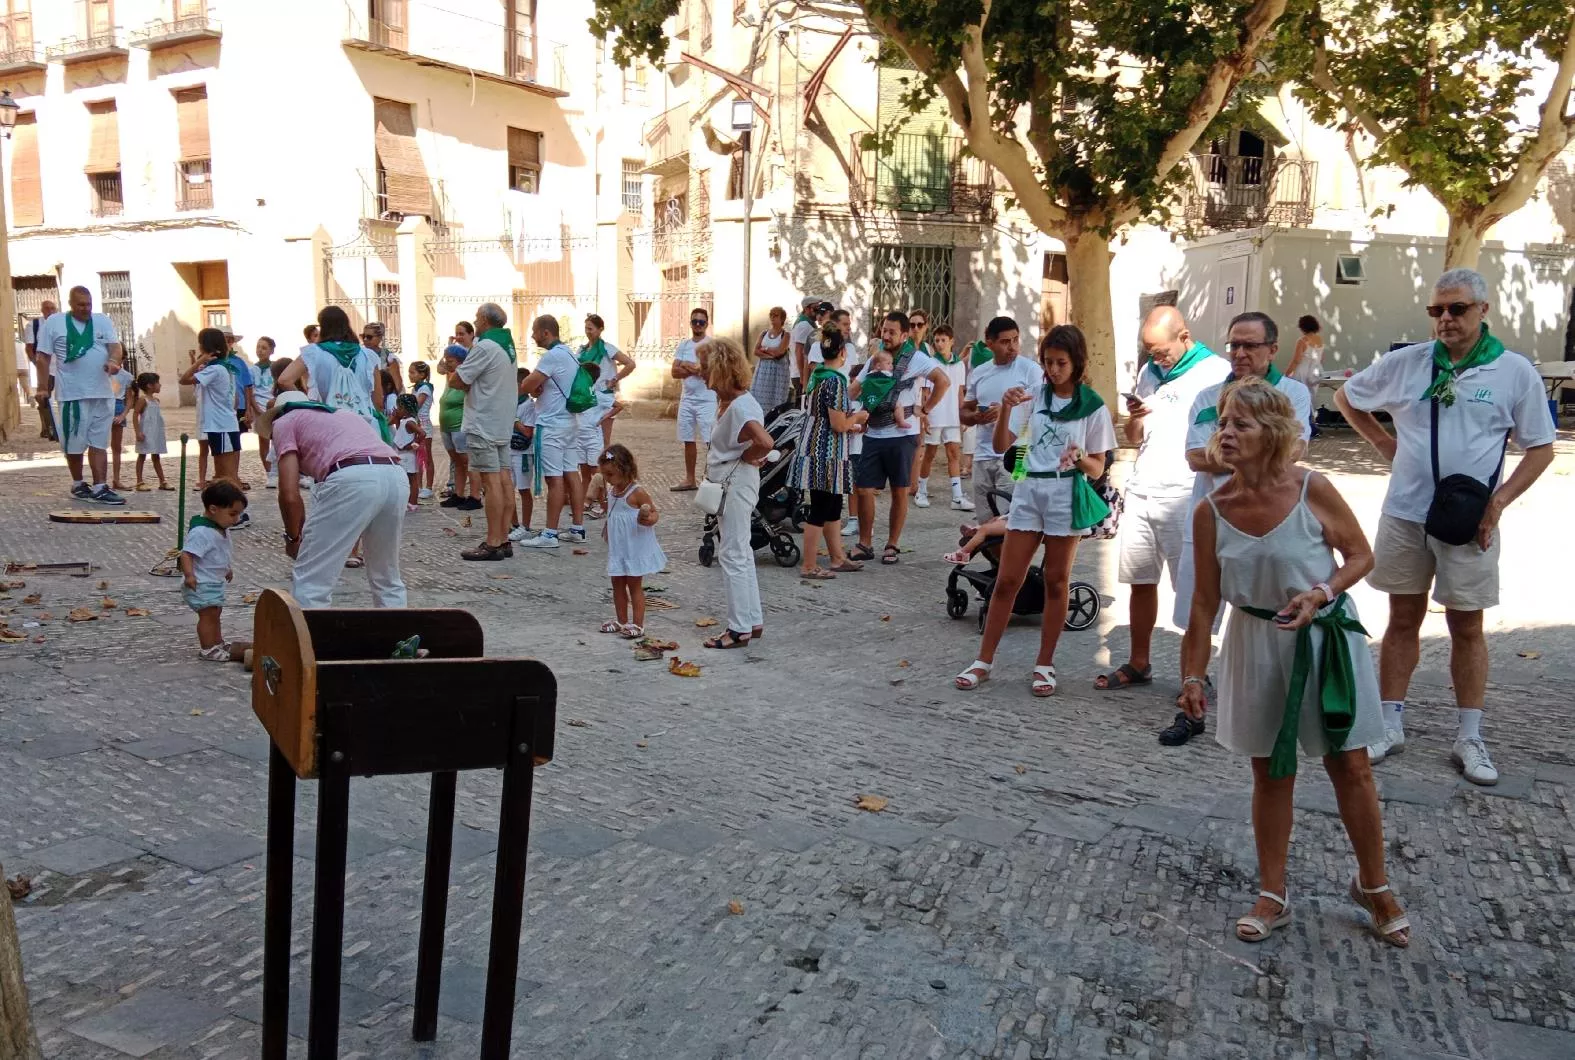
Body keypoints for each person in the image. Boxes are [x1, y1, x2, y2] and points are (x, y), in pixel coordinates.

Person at [1178, 379, 1408, 948]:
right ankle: (1273, 892)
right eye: (1224, 423)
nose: (1226, 434)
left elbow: (1361, 555)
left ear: (1273, 435)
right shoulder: (1211, 510)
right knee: (1270, 771)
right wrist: (1191, 674)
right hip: (1255, 642)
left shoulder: (1312, 489)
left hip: (1324, 639)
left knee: (1350, 764)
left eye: (1241, 426)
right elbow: (1204, 603)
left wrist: (1322, 593)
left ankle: (1374, 885)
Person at [1334, 267, 1555, 784]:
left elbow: (1540, 448)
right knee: (1402, 618)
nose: (1446, 320)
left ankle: (1470, 736)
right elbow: (1348, 397)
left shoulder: (1513, 371)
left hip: (1467, 521)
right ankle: (1389, 724)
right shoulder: (1407, 363)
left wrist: (1497, 502)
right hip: (1406, 513)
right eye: (1437, 311)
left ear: (1483, 310)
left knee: (1467, 626)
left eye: (1457, 309)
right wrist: (1383, 444)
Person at [1164, 311, 1313, 747]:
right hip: (1212, 516)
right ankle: (1190, 693)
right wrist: (1260, 450)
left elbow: (1295, 450)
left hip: (1270, 520)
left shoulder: (1293, 393)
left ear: (1272, 347)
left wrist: (1230, 452)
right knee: (1198, 611)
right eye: (1234, 345)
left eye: (1250, 345)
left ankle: (1269, 695)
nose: (1241, 354)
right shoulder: (1208, 394)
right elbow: (1195, 456)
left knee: (1269, 609)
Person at [954, 325, 1115, 696]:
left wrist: (1078, 459)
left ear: (1078, 363)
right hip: (1030, 493)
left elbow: (1098, 467)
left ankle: (1044, 664)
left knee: (1057, 581)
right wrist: (1008, 411)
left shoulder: (1092, 405)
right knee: (1008, 579)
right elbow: (1010, 448)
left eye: (1061, 362)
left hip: (1064, 495)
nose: (1053, 369)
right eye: (1048, 362)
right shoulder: (1034, 397)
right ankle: (983, 661)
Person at [1097, 306, 1229, 692]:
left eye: (1161, 350)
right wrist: (1135, 416)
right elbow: (1135, 436)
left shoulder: (1216, 372)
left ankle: (1194, 675)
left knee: (1191, 589)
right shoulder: (1149, 372)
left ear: (1184, 335)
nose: (1156, 359)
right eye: (1149, 352)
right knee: (1140, 580)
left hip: (1185, 493)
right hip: (1142, 488)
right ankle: (1139, 663)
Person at [262, 390, 408, 608]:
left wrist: (293, 538)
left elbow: (289, 493)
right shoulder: (343, 415)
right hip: (395, 475)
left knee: (312, 579)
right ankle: (400, 638)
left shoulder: (284, 420)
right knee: (386, 575)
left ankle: (309, 640)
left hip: (353, 478)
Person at [849, 311, 952, 565]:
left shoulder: (916, 358)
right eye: (884, 330)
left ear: (905, 335)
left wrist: (925, 410)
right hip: (873, 433)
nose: (886, 336)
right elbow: (855, 389)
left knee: (899, 491)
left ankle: (892, 544)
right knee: (863, 489)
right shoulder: (875, 359)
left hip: (902, 435)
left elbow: (943, 381)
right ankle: (865, 543)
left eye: (892, 332)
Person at [701, 337, 775, 649]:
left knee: (733, 552)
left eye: (705, 367)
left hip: (736, 483)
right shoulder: (735, 402)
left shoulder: (741, 406)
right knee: (740, 551)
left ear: (719, 368)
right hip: (735, 482)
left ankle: (738, 628)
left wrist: (746, 456)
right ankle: (750, 620)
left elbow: (766, 442)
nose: (700, 372)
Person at [36, 285, 126, 504]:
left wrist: (114, 362)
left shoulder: (102, 321)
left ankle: (100, 486)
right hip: (72, 394)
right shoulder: (54, 323)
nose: (86, 309)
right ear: (70, 304)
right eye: (81, 305)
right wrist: (42, 386)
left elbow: (115, 347)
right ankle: (78, 483)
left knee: (99, 441)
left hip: (102, 392)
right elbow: (42, 357)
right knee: (74, 443)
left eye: (89, 304)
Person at [790, 329, 867, 579]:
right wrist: (858, 417)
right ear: (843, 353)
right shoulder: (834, 381)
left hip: (823, 450)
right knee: (821, 508)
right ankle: (809, 565)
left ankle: (837, 558)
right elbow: (837, 424)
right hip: (824, 453)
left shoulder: (819, 375)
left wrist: (849, 423)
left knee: (834, 505)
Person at [447, 303, 520, 561]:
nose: (475, 322)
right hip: (500, 420)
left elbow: (458, 380)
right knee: (503, 479)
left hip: (483, 421)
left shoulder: (486, 346)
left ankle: (493, 541)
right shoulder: (508, 346)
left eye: (477, 318)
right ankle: (504, 537)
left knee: (490, 482)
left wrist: (454, 371)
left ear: (486, 321)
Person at [518, 314, 589, 550]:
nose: (532, 336)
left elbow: (527, 384)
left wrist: (533, 387)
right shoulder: (569, 353)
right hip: (569, 422)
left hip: (551, 425)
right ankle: (578, 527)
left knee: (554, 478)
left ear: (545, 333)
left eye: (534, 332)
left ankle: (549, 534)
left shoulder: (551, 356)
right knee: (571, 473)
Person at [960, 317, 1040, 515]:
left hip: (1018, 455)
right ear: (990, 343)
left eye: (1015, 340)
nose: (1012, 347)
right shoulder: (980, 372)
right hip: (982, 456)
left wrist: (1007, 411)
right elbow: (964, 411)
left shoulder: (1031, 370)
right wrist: (977, 417)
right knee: (985, 521)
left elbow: (1039, 412)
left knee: (1011, 521)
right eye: (1005, 342)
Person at [275, 306, 385, 434]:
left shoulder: (314, 352)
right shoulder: (368, 355)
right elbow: (378, 401)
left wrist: (308, 405)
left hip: (329, 427)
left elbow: (284, 380)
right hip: (365, 426)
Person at [597, 444, 666, 639]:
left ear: (624, 469)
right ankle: (620, 620)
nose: (608, 480)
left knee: (634, 585)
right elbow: (612, 513)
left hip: (634, 546)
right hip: (619, 547)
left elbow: (653, 512)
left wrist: (648, 519)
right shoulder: (613, 491)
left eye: (610, 475)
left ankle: (638, 624)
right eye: (605, 475)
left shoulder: (637, 492)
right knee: (617, 582)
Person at [180, 480, 251, 663]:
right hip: (201, 583)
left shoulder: (219, 528)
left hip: (213, 581)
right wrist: (189, 575)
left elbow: (218, 553)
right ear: (213, 509)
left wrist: (226, 568)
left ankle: (217, 642)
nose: (236, 519)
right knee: (208, 616)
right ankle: (207, 648)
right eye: (232, 514)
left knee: (215, 613)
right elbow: (186, 554)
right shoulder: (202, 532)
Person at [577, 314, 636, 509]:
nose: (588, 332)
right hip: (589, 394)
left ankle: (604, 495)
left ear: (600, 329)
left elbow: (630, 363)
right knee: (588, 451)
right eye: (586, 328)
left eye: (591, 328)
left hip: (604, 397)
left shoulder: (607, 348)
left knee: (603, 447)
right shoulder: (582, 350)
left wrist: (615, 378)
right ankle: (589, 495)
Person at [913, 323, 972, 511]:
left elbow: (960, 392)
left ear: (951, 341)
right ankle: (921, 491)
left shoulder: (959, 365)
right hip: (935, 414)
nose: (939, 344)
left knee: (953, 453)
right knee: (929, 453)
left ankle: (957, 497)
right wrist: (925, 415)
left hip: (953, 416)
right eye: (937, 340)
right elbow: (925, 392)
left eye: (943, 340)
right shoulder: (930, 363)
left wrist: (963, 415)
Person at [179, 328, 244, 487]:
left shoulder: (214, 369)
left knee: (225, 476)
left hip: (220, 425)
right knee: (225, 475)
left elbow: (184, 379)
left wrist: (199, 361)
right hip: (226, 423)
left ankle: (232, 508)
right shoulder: (225, 368)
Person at [670, 308, 715, 491]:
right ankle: (690, 479)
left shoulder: (711, 345)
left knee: (710, 440)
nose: (698, 325)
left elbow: (709, 371)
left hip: (706, 399)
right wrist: (693, 368)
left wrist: (687, 366)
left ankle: (712, 477)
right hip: (687, 399)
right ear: (690, 323)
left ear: (707, 324)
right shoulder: (684, 345)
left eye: (701, 322)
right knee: (688, 439)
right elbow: (674, 371)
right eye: (695, 321)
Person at [435, 345, 480, 510]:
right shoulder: (450, 375)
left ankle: (475, 495)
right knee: (457, 461)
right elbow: (440, 368)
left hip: (459, 424)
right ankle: (459, 494)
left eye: (451, 360)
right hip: (447, 425)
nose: (448, 363)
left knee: (467, 461)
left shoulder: (464, 377)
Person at [129, 373, 170, 491]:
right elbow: (135, 414)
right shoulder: (143, 400)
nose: (160, 385)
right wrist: (138, 432)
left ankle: (162, 480)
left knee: (156, 455)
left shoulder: (156, 400)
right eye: (158, 382)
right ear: (150, 385)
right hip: (146, 432)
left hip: (155, 432)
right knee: (142, 455)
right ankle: (139, 481)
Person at [509, 387, 540, 542]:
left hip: (522, 453)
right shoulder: (510, 402)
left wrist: (513, 420)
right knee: (508, 489)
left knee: (523, 489)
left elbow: (527, 431)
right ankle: (514, 524)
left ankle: (525, 526)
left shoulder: (528, 405)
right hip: (508, 450)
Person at [25, 299, 58, 441]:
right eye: (47, 308)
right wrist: (37, 365)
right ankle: (48, 428)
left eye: (53, 308)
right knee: (44, 399)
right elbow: (29, 348)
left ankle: (56, 427)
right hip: (46, 368)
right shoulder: (34, 325)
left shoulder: (60, 325)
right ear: (42, 310)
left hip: (60, 368)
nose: (50, 311)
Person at [750, 306, 792, 412]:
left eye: (776, 315)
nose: (773, 318)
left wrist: (766, 349)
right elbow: (756, 351)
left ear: (782, 318)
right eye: (771, 315)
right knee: (760, 395)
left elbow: (780, 352)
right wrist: (770, 355)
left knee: (776, 398)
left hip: (778, 370)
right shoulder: (764, 333)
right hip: (763, 370)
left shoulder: (785, 335)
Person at [1288, 315, 1324, 436]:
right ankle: (1312, 426)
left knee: (1298, 399)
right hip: (1314, 373)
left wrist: (1286, 374)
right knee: (1310, 399)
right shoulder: (1320, 340)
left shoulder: (1302, 341)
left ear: (1302, 327)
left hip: (1301, 372)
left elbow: (1296, 360)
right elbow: (1321, 359)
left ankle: (1306, 427)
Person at [789, 297, 829, 401]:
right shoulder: (804, 325)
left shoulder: (807, 323)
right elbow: (799, 351)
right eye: (815, 308)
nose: (818, 312)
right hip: (801, 374)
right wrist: (803, 377)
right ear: (807, 309)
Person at [253, 337, 279, 487]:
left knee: (276, 441)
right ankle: (269, 473)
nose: (260, 350)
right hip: (259, 408)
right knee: (263, 441)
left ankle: (277, 470)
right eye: (258, 347)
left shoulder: (275, 369)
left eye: (264, 348)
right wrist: (256, 409)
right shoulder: (253, 369)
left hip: (273, 407)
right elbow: (251, 392)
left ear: (271, 350)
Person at [409, 360, 437, 498]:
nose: (410, 375)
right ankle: (419, 486)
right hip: (416, 425)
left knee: (427, 457)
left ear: (422, 374)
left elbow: (416, 405)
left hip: (424, 425)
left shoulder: (424, 389)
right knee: (417, 457)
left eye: (413, 372)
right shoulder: (415, 388)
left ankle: (429, 486)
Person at [391, 393, 422, 512]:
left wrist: (414, 444)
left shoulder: (410, 422)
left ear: (405, 409)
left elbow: (422, 433)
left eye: (399, 408)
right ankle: (408, 500)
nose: (398, 410)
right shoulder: (404, 421)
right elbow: (400, 432)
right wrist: (396, 418)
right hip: (402, 453)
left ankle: (413, 502)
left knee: (412, 478)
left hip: (408, 455)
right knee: (406, 478)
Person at [108, 362, 134, 490]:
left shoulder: (126, 376)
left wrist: (123, 415)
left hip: (117, 406)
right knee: (97, 444)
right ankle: (99, 480)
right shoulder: (102, 371)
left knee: (116, 446)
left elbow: (129, 398)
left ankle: (116, 479)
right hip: (102, 403)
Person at [362, 321, 402, 393]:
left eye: (369, 337)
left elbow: (397, 385)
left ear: (380, 338)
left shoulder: (389, 358)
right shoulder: (359, 354)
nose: (365, 339)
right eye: (363, 336)